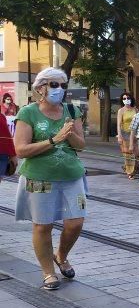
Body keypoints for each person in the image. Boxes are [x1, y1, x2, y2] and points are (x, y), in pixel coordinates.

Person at [12, 67, 87, 290]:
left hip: (71, 176)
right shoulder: (28, 113)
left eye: (63, 85)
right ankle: (48, 272)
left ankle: (61, 255)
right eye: (54, 85)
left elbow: (81, 146)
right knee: (42, 226)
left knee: (76, 223)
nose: (60, 90)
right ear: (41, 88)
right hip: (39, 178)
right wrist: (54, 140)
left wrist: (70, 134)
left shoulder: (72, 111)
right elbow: (21, 150)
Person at [116, 92, 139, 180]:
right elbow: (119, 124)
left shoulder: (135, 109)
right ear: (122, 100)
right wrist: (119, 136)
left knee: (137, 153)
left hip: (135, 134)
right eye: (124, 98)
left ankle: (136, 169)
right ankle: (130, 172)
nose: (126, 100)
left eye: (128, 98)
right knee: (128, 154)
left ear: (131, 99)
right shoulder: (121, 111)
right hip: (125, 134)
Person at [0, 111, 16, 182]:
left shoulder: (2, 117)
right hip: (37, 174)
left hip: (2, 154)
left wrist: (13, 155)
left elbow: (7, 137)